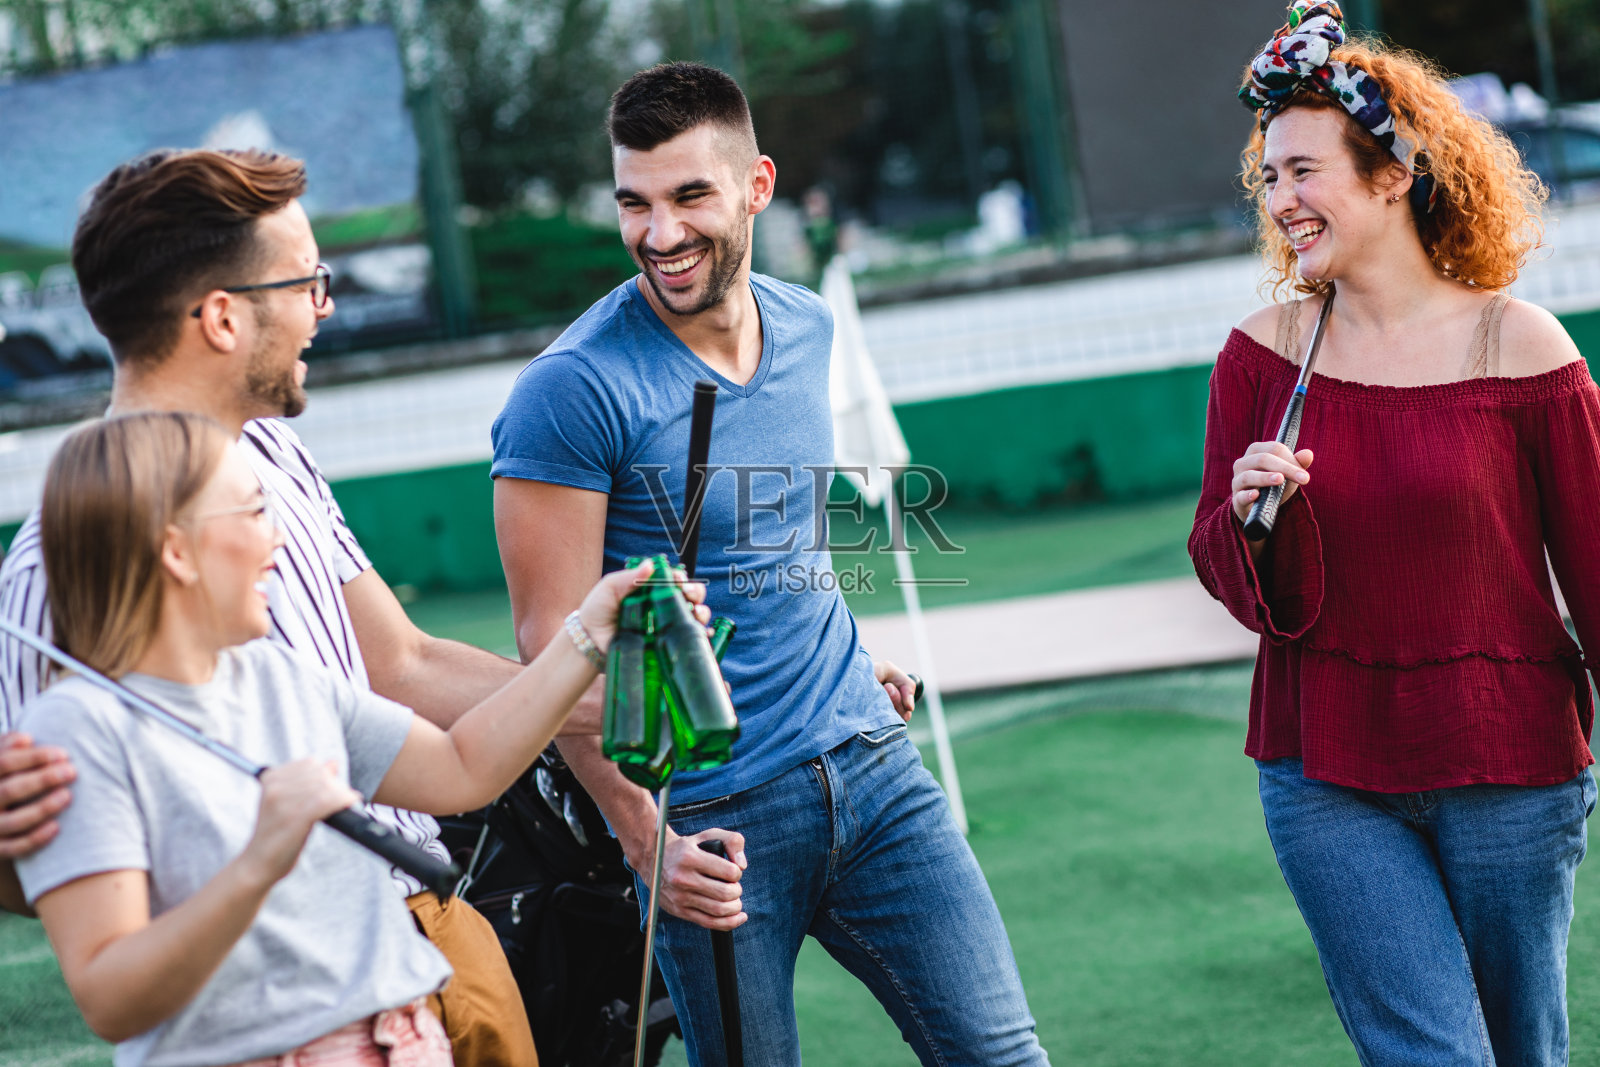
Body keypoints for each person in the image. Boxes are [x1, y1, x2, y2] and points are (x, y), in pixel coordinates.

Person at [492, 62, 1048, 1067]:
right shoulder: (571, 390)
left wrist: (844, 651)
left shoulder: (807, 327)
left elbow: (783, 540)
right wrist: (640, 831)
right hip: (708, 817)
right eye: (635, 203)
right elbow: (550, 653)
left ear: (756, 185)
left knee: (1003, 1054)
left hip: (874, 768)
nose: (659, 234)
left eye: (689, 196)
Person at [0, 148, 542, 1067]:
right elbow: (45, 857)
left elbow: (403, 665)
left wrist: (613, 687)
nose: (323, 305)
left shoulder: (279, 454)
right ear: (220, 316)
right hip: (272, 1003)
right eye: (307, 281)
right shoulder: (55, 566)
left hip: (431, 934)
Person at [14, 410, 703, 1067]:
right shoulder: (82, 725)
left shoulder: (276, 675)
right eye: (254, 511)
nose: (276, 539)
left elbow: (461, 767)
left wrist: (585, 636)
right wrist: (261, 857)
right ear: (175, 549)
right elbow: (110, 997)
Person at [1190, 4, 1596, 1063]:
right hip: (1323, 768)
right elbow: (1229, 576)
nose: (1279, 200)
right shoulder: (1257, 357)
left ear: (1388, 174)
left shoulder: (1522, 345)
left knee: (1523, 1049)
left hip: (1509, 765)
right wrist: (1245, 518)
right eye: (1268, 177)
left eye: (1303, 171)